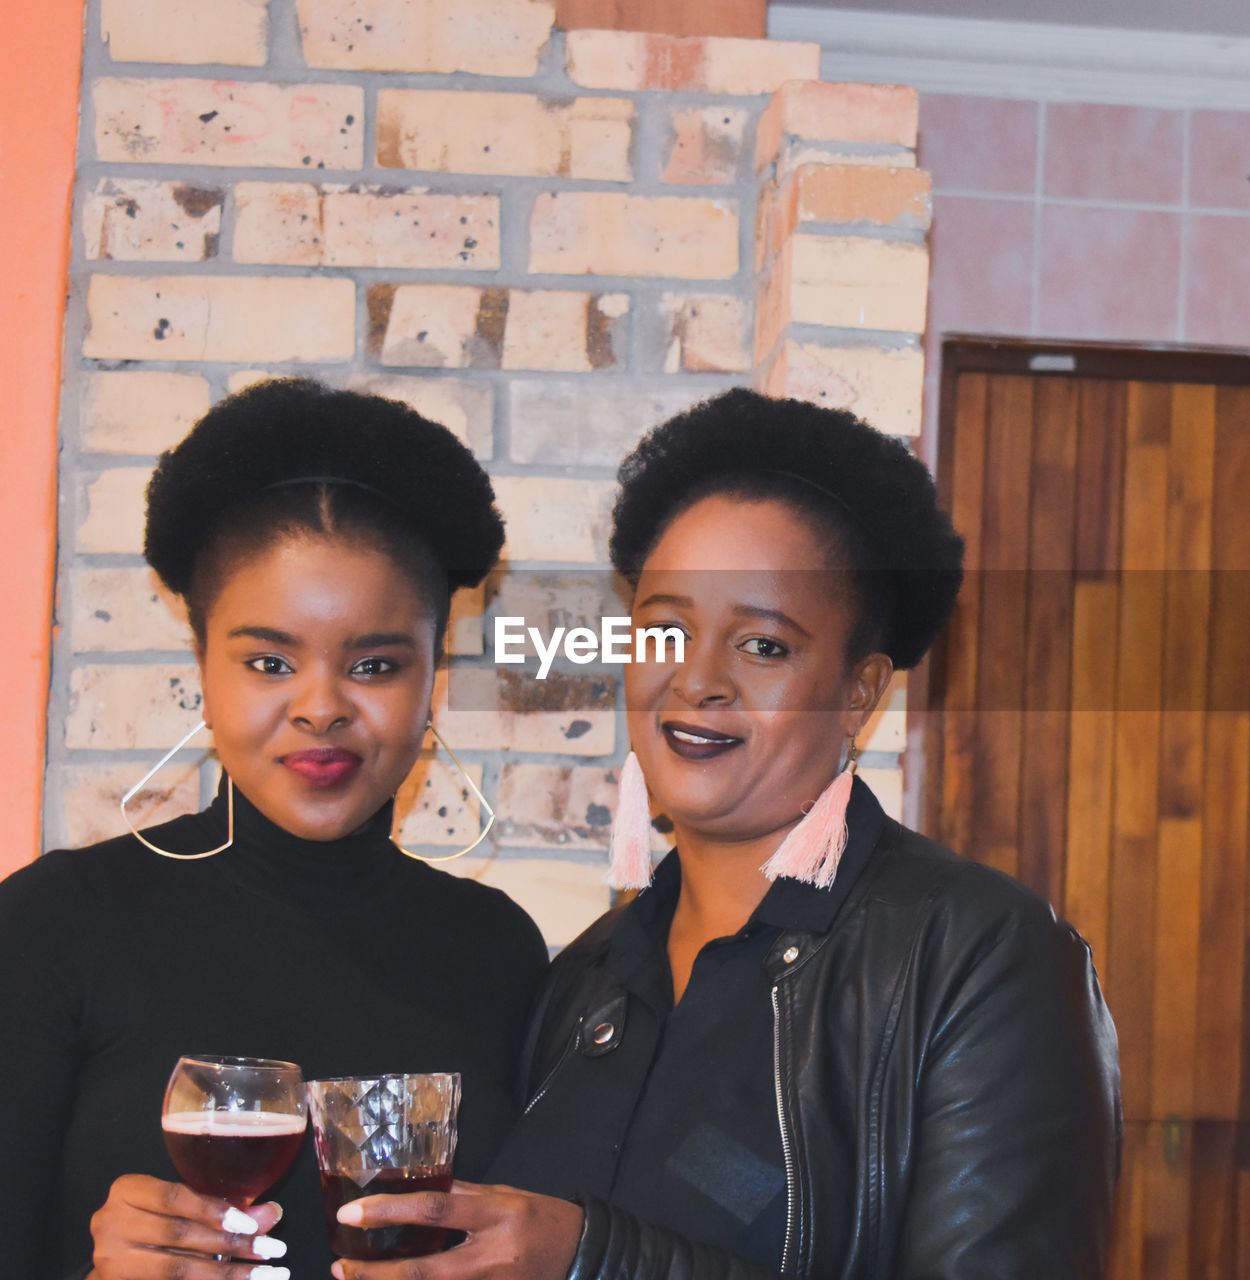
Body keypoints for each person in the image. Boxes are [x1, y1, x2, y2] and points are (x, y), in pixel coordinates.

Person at [330, 388, 1122, 1280]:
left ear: (859, 692)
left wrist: (595, 1259)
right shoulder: (582, 982)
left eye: (764, 646)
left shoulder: (978, 959)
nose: (697, 679)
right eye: (666, 631)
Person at [0, 379, 548, 1280]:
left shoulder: (499, 952)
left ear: (433, 680)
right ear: (204, 670)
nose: (322, 708)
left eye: (375, 664)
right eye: (268, 662)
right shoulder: (57, 925)